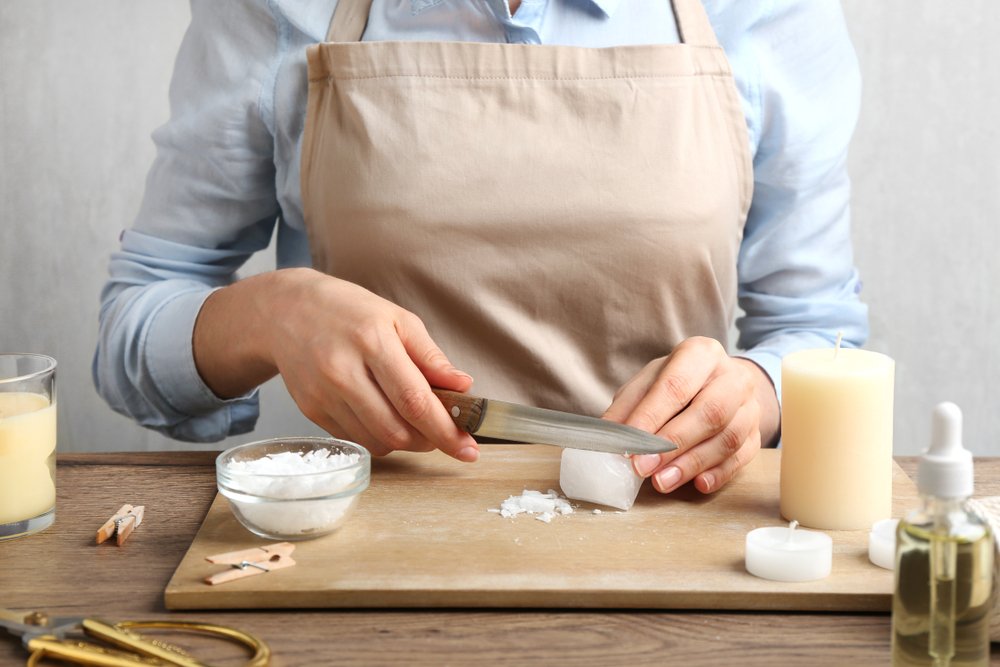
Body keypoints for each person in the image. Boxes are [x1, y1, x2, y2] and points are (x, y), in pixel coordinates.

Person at [93, 0, 868, 497]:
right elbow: (131, 332)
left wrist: (755, 392)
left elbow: (821, 330)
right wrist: (270, 314)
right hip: (359, 571)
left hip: (671, 562)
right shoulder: (278, 9)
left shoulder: (767, 11)